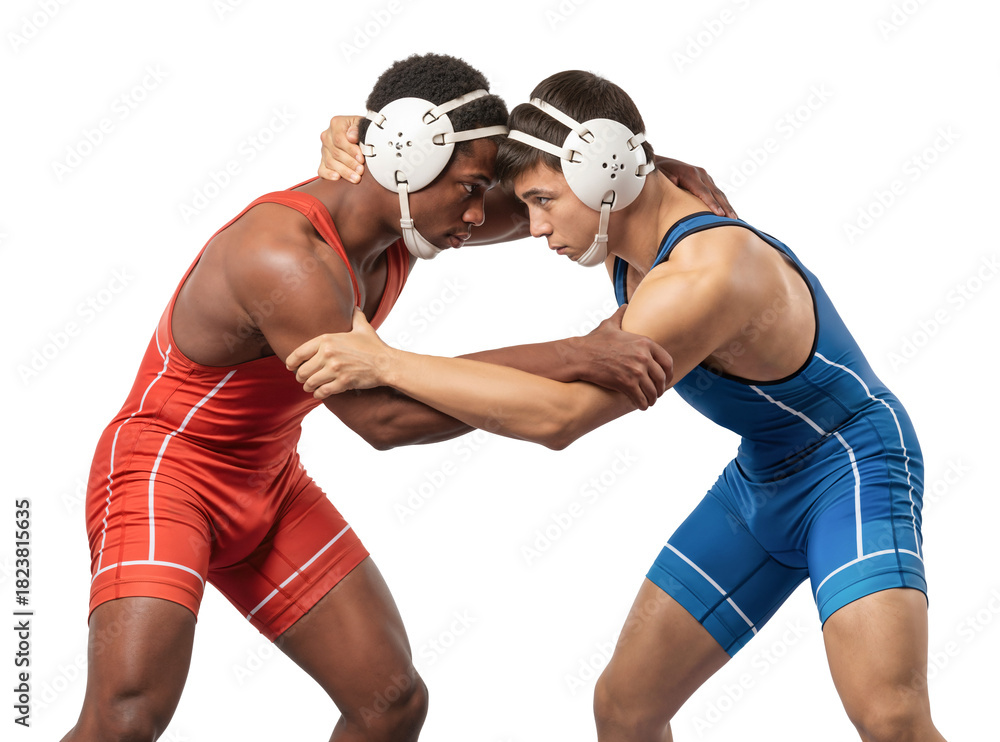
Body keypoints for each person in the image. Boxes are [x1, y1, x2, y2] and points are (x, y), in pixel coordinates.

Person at [64, 54, 732, 742]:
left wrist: (642, 170)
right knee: (127, 717)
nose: (482, 213)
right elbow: (383, 417)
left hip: (266, 480)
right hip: (164, 473)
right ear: (404, 159)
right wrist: (570, 352)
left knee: (390, 705)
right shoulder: (283, 256)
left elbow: (549, 190)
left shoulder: (403, 223)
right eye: (471, 189)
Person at [291, 70, 948, 742]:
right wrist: (380, 141)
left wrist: (388, 361)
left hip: (852, 469)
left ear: (609, 170)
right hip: (762, 479)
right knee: (627, 709)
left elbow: (559, 418)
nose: (535, 228)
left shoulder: (708, 273)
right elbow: (467, 185)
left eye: (544, 201)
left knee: (890, 718)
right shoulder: (629, 236)